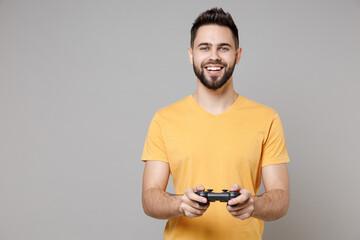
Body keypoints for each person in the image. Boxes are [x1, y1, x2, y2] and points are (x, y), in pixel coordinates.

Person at [141, 7, 290, 240]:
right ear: (191, 54)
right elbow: (150, 198)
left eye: (223, 48)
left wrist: (253, 205)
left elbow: (280, 198)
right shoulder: (164, 119)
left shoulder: (267, 119)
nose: (214, 57)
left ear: (238, 55)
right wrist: (180, 204)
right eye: (204, 48)